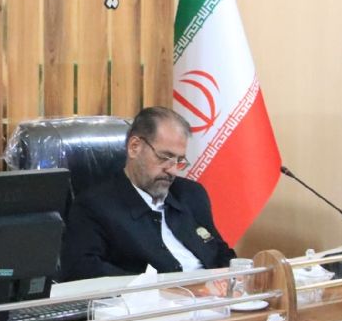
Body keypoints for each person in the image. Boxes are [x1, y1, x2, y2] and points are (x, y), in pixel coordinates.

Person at [60, 106, 235, 280]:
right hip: (151, 295)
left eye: (179, 160)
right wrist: (154, 288)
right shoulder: (94, 206)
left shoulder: (191, 194)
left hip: (212, 292)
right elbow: (82, 269)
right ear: (134, 147)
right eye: (165, 157)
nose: (173, 170)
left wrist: (234, 280)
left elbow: (220, 252)